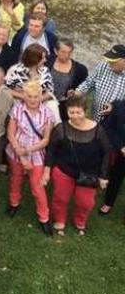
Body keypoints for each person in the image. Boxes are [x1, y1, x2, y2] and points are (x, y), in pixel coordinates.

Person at [44, 95, 112, 236]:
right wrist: (47, 170)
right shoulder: (60, 128)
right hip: (64, 170)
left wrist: (103, 175)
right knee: (60, 198)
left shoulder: (98, 130)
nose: (75, 116)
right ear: (67, 112)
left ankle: (80, 221)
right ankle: (60, 220)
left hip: (89, 174)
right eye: (71, 112)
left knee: (85, 203)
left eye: (78, 112)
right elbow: (51, 150)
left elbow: (106, 152)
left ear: (85, 111)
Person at [4, 81, 54, 234]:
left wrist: (27, 150)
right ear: (24, 96)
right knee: (16, 179)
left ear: (41, 96)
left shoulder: (47, 113)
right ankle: (14, 203)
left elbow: (46, 139)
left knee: (37, 186)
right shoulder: (17, 110)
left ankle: (44, 217)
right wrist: (19, 150)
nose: (32, 100)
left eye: (36, 96)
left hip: (36, 152)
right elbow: (11, 133)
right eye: (29, 96)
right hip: (16, 150)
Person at [73, 44, 125, 120]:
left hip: (118, 121)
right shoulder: (103, 65)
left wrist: (115, 106)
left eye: (112, 61)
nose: (109, 63)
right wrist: (77, 92)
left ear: (123, 61)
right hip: (96, 117)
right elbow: (88, 82)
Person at [50, 38, 88, 119]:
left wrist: (75, 93)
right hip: (44, 102)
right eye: (63, 52)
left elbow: (84, 90)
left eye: (69, 52)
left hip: (64, 107)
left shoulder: (80, 70)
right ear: (56, 51)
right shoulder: (47, 61)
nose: (66, 55)